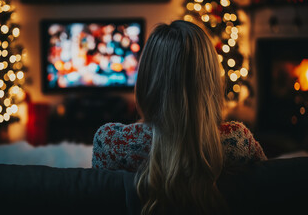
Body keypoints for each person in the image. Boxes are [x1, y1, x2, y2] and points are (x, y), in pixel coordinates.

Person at [92, 20, 267, 214]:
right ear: (209, 81)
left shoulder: (110, 143)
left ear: (147, 78)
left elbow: (101, 204)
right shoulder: (238, 141)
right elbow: (270, 190)